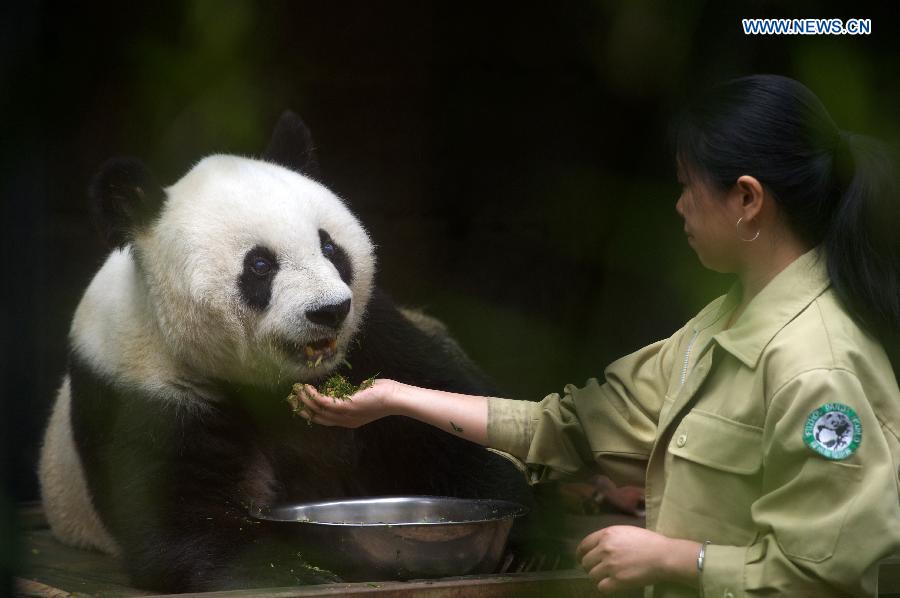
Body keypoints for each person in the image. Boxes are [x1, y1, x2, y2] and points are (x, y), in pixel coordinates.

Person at [295, 75, 900, 596]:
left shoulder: (818, 367)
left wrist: (674, 559)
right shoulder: (723, 322)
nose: (681, 205)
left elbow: (827, 576)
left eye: (690, 185)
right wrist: (396, 398)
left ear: (746, 199)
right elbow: (568, 426)